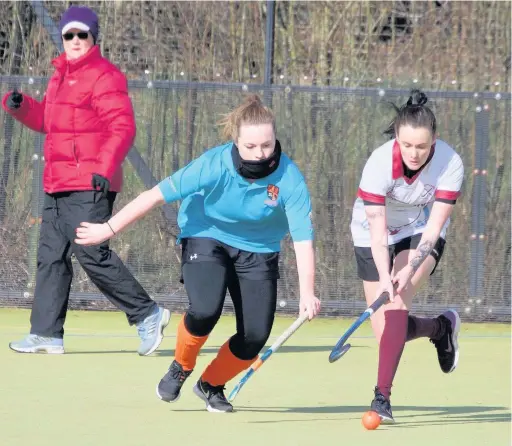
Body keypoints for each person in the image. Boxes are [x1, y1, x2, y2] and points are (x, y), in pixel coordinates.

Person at [75, 94, 321, 412]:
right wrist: (107, 229)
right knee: (205, 309)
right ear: (236, 140)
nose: (260, 154)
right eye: (251, 146)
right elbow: (154, 196)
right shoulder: (213, 164)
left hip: (259, 249)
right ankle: (181, 366)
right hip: (207, 234)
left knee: (256, 335)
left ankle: (211, 385)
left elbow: (303, 238)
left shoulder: (290, 178)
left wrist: (308, 292)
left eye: (267, 145)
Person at [2, 5, 170, 356]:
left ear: (93, 38)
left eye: (82, 34)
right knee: (50, 255)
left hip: (90, 181)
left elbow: (122, 127)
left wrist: (103, 169)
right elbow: (48, 121)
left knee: (91, 253)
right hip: (57, 182)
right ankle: (46, 333)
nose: (75, 40)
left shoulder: (105, 75)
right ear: (62, 38)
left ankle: (148, 313)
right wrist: (19, 106)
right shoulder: (59, 76)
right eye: (69, 34)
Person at [350, 89, 464, 423]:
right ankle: (440, 328)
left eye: (422, 146)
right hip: (373, 234)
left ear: (435, 140)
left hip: (419, 231)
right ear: (397, 138)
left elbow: (433, 231)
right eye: (407, 145)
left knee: (396, 304)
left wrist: (408, 268)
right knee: (387, 332)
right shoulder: (378, 164)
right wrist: (386, 276)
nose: (414, 153)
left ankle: (381, 399)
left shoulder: (449, 162)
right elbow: (376, 231)